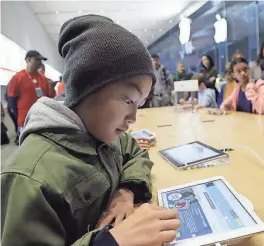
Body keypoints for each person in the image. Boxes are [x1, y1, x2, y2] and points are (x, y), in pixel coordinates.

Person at [1, 15, 180, 246]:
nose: (133, 117)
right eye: (128, 99)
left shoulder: (104, 134)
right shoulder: (29, 179)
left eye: (140, 103)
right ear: (87, 86)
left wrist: (126, 191)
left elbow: (134, 150)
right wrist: (111, 242)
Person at [7, 50, 51, 137]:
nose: (40, 63)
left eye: (40, 60)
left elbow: (48, 97)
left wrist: (51, 87)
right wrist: (19, 117)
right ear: (28, 60)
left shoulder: (43, 79)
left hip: (41, 119)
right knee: (26, 145)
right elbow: (11, 100)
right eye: (37, 60)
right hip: (24, 120)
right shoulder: (17, 78)